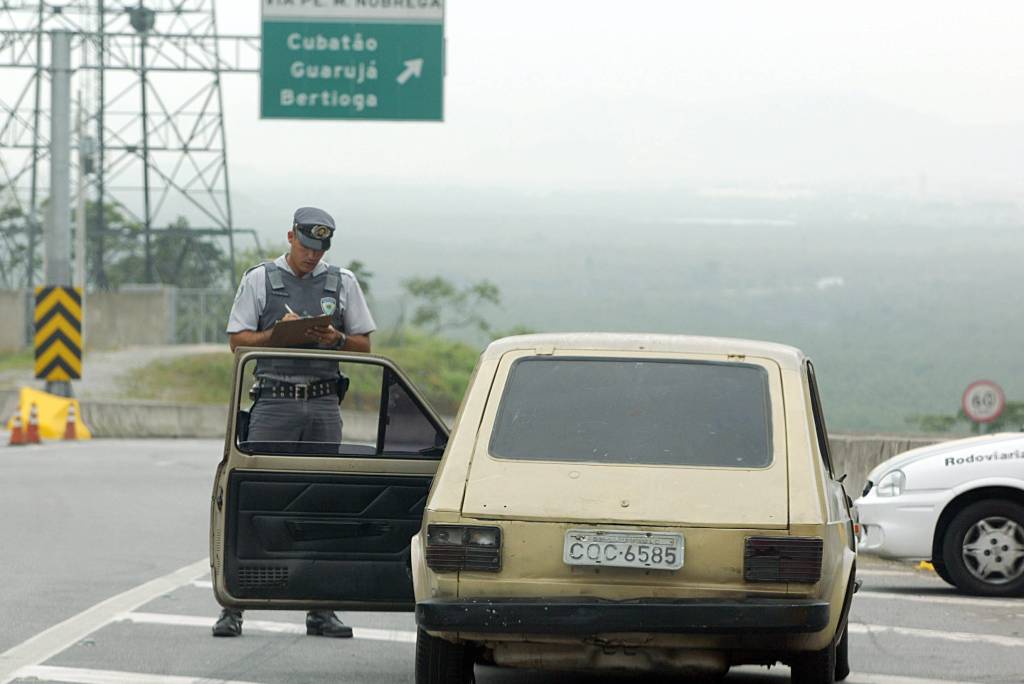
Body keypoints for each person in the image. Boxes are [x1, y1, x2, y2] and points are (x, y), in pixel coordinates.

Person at [212, 206, 376, 638]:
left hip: (323, 404)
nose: (311, 257)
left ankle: (321, 609)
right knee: (254, 500)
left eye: (319, 250)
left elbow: (364, 344)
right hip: (275, 401)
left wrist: (335, 338)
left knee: (325, 504)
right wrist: (277, 336)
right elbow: (237, 340)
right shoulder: (260, 280)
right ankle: (234, 606)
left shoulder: (342, 282)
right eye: (305, 247)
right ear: (290, 237)